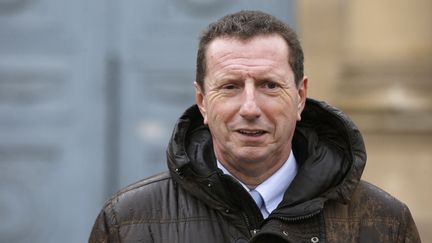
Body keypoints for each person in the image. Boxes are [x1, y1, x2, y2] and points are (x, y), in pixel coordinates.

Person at [89, 10, 421, 243]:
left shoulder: (383, 223)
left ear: (301, 95)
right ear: (202, 101)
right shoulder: (129, 222)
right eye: (230, 86)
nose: (250, 108)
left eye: (269, 86)